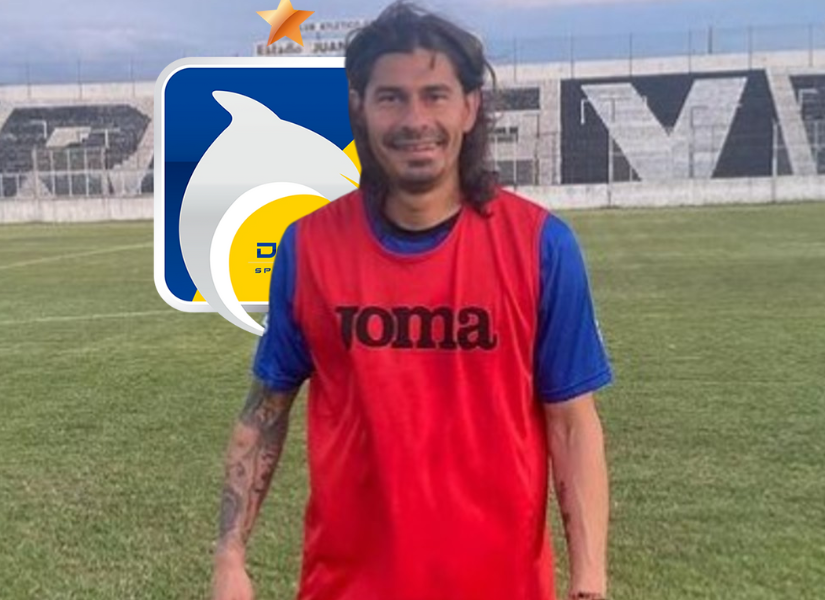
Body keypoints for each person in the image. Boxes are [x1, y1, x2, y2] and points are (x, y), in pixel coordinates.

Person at [211, 2, 613, 599]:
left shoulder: (540, 246)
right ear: (360, 108)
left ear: (470, 107)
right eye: (391, 97)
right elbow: (265, 411)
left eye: (435, 95)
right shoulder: (309, 247)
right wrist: (230, 558)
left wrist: (589, 584)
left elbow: (572, 426)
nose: (414, 119)